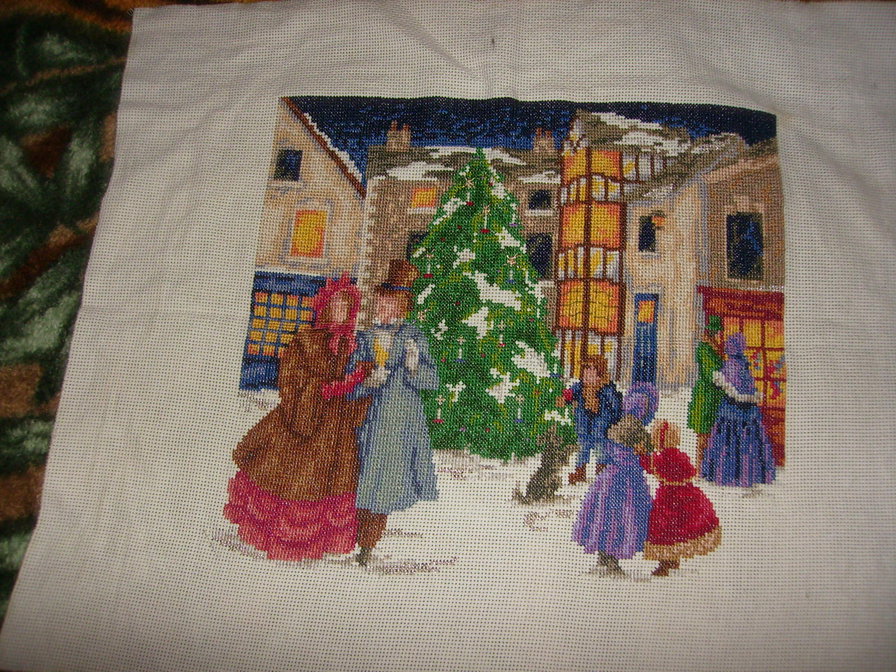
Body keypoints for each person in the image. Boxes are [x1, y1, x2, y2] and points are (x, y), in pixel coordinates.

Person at [223, 275, 372, 560]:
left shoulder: (352, 345)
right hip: (304, 422)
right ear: (326, 307)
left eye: (346, 307)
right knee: (292, 475)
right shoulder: (305, 340)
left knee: (334, 479)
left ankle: (321, 541)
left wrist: (359, 383)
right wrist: (323, 389)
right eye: (336, 305)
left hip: (336, 429)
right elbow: (290, 381)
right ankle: (283, 539)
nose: (340, 311)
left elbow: (358, 386)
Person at [346, 260, 440, 566]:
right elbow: (349, 382)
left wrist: (413, 367)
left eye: (387, 303)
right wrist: (366, 382)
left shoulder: (414, 337)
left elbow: (432, 380)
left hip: (400, 424)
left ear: (400, 306)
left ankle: (368, 544)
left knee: (386, 484)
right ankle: (355, 536)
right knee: (362, 479)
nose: (381, 308)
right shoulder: (365, 338)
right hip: (369, 422)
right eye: (379, 302)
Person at [572, 406, 653, 576]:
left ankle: (604, 558)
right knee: (618, 523)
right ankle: (610, 560)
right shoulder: (627, 456)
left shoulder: (614, 446)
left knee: (604, 521)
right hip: (622, 490)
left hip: (607, 486)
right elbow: (637, 463)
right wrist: (641, 457)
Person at [643, 421, 722, 577]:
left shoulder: (661, 458)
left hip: (668, 500)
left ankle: (666, 563)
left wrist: (641, 455)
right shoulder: (681, 455)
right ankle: (674, 560)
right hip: (688, 497)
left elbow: (650, 466)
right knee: (682, 529)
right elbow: (689, 471)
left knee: (666, 530)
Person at [702, 332, 776, 487]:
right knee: (746, 442)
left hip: (731, 411)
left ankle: (726, 474)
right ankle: (749, 474)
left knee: (729, 441)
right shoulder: (743, 364)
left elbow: (734, 390)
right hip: (747, 411)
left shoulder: (731, 365)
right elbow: (747, 388)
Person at [559, 354, 623, 485]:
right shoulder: (580, 386)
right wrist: (565, 399)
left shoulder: (607, 388)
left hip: (601, 429)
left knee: (601, 451)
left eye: (590, 370)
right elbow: (570, 394)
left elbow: (616, 407)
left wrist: (613, 420)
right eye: (585, 370)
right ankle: (580, 472)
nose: (586, 373)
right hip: (583, 426)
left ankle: (602, 473)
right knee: (582, 449)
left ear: (600, 373)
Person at [687, 315, 725, 469]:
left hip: (715, 395)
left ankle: (708, 467)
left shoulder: (714, 347)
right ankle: (700, 467)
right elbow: (712, 373)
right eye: (716, 332)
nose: (718, 335)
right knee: (704, 433)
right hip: (706, 395)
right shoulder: (705, 348)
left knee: (712, 433)